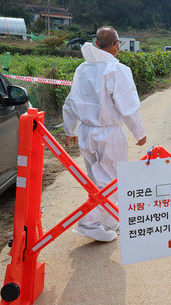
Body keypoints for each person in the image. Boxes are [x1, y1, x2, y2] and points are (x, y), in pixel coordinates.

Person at [63, 26, 147, 242]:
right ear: (116, 44)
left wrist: (69, 129)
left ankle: (108, 220)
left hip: (86, 132)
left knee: (96, 181)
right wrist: (139, 132)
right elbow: (127, 105)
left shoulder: (83, 68)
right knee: (112, 181)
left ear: (97, 44)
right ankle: (89, 223)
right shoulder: (116, 69)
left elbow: (71, 101)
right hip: (108, 133)